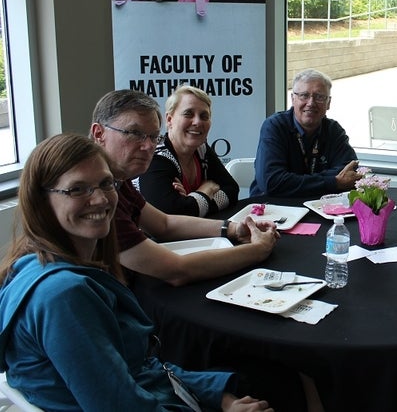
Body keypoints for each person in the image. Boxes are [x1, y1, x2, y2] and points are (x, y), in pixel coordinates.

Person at [0, 133, 272, 411]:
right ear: (41, 201)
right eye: (78, 189)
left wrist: (220, 396)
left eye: (106, 184)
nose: (101, 200)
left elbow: (141, 368)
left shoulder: (36, 263)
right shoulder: (63, 297)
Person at [90, 89, 278, 287]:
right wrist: (258, 250)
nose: (147, 146)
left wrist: (234, 228)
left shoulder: (117, 179)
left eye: (153, 136)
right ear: (99, 133)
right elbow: (177, 270)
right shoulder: (98, 194)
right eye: (135, 133)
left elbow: (164, 224)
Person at [250, 69, 362, 198]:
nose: (311, 103)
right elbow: (272, 182)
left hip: (321, 207)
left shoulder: (333, 130)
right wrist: (333, 182)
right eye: (304, 95)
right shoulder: (275, 126)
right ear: (293, 99)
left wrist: (294, 181)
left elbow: (350, 172)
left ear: (328, 103)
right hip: (272, 209)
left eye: (319, 97)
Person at [136, 85, 238, 217]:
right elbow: (172, 215)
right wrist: (206, 190)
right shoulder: (156, 157)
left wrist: (192, 202)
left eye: (204, 116)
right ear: (169, 120)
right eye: (188, 114)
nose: (197, 122)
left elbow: (232, 190)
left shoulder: (201, 149)